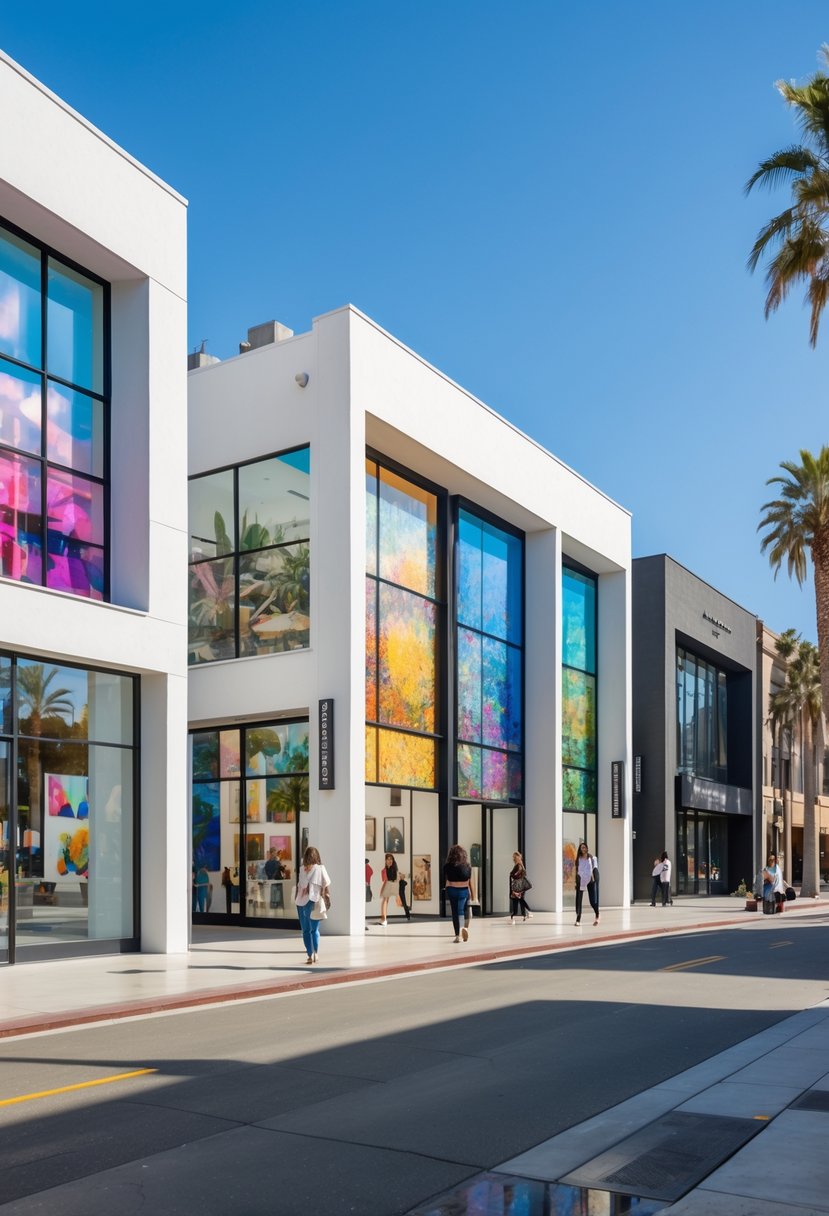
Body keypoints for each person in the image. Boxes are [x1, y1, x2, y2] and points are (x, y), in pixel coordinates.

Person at [293, 845, 331, 964]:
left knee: (305, 930)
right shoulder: (320, 868)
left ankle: (310, 954)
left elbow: (301, 885)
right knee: (314, 930)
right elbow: (326, 883)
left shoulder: (302, 869)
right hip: (313, 901)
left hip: (301, 902)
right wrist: (325, 894)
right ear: (316, 856)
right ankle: (315, 952)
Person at [443, 844, 473, 942]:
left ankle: (457, 936)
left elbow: (446, 878)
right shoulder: (467, 866)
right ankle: (464, 928)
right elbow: (469, 880)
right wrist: (472, 894)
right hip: (464, 890)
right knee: (463, 910)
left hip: (452, 890)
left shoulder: (447, 866)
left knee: (455, 912)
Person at [574, 841, 599, 926]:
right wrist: (576, 882)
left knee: (592, 901)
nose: (583, 849)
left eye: (584, 847)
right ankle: (578, 919)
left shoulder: (592, 858)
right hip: (581, 881)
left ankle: (597, 914)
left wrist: (596, 879)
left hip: (590, 880)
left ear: (587, 848)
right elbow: (577, 871)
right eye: (581, 848)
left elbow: (595, 869)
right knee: (579, 901)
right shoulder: (578, 859)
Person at [509, 851, 533, 922]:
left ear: (516, 858)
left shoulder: (518, 865)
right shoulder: (520, 864)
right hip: (521, 886)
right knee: (520, 899)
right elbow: (522, 874)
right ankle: (524, 914)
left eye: (514, 857)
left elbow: (516, 875)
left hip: (518, 886)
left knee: (519, 899)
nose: (513, 859)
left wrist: (512, 875)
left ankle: (528, 912)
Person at [379, 853, 399, 925]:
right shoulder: (385, 869)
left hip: (392, 886)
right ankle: (384, 919)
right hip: (387, 885)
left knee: (386, 901)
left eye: (391, 859)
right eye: (388, 859)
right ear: (385, 860)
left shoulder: (394, 868)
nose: (390, 860)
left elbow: (396, 879)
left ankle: (383, 918)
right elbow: (384, 879)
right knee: (385, 901)